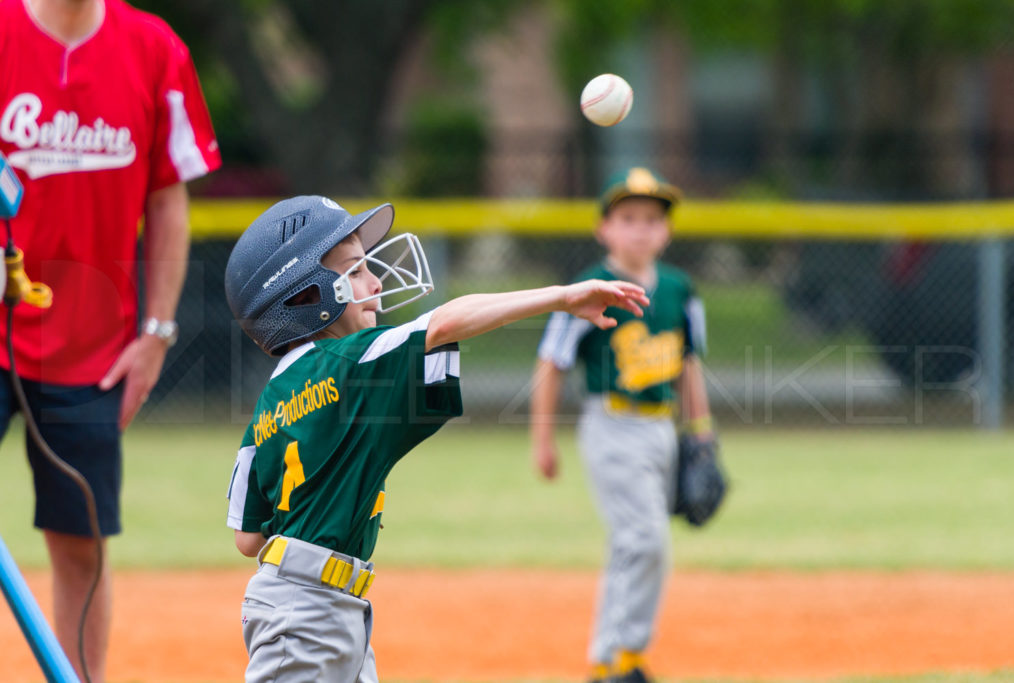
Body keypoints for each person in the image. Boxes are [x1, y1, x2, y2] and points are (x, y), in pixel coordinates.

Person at [223, 194, 649, 682]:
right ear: (307, 298)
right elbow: (446, 321)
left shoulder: (270, 403)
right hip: (309, 614)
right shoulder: (350, 363)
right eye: (357, 270)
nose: (376, 281)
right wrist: (562, 296)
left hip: (315, 604)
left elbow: (248, 537)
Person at [0, 0, 220, 679]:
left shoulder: (156, 51)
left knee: (81, 544)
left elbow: (167, 198)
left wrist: (156, 332)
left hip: (90, 351)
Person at [529, 167, 714, 683]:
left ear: (667, 231)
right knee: (647, 539)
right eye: (628, 218)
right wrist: (542, 440)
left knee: (633, 545)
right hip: (611, 425)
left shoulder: (680, 290)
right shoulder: (586, 290)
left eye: (652, 219)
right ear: (603, 228)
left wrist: (702, 432)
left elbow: (690, 365)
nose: (640, 229)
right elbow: (551, 364)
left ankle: (609, 659)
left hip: (662, 430)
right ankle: (624, 657)